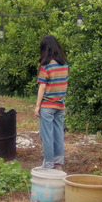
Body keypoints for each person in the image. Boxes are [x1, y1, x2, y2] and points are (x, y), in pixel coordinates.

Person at [34, 34, 68, 170]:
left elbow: (42, 86)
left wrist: (37, 107)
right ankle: (58, 163)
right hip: (60, 105)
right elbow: (63, 84)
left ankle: (48, 164)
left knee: (47, 135)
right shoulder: (64, 64)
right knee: (58, 133)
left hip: (47, 106)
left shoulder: (46, 66)